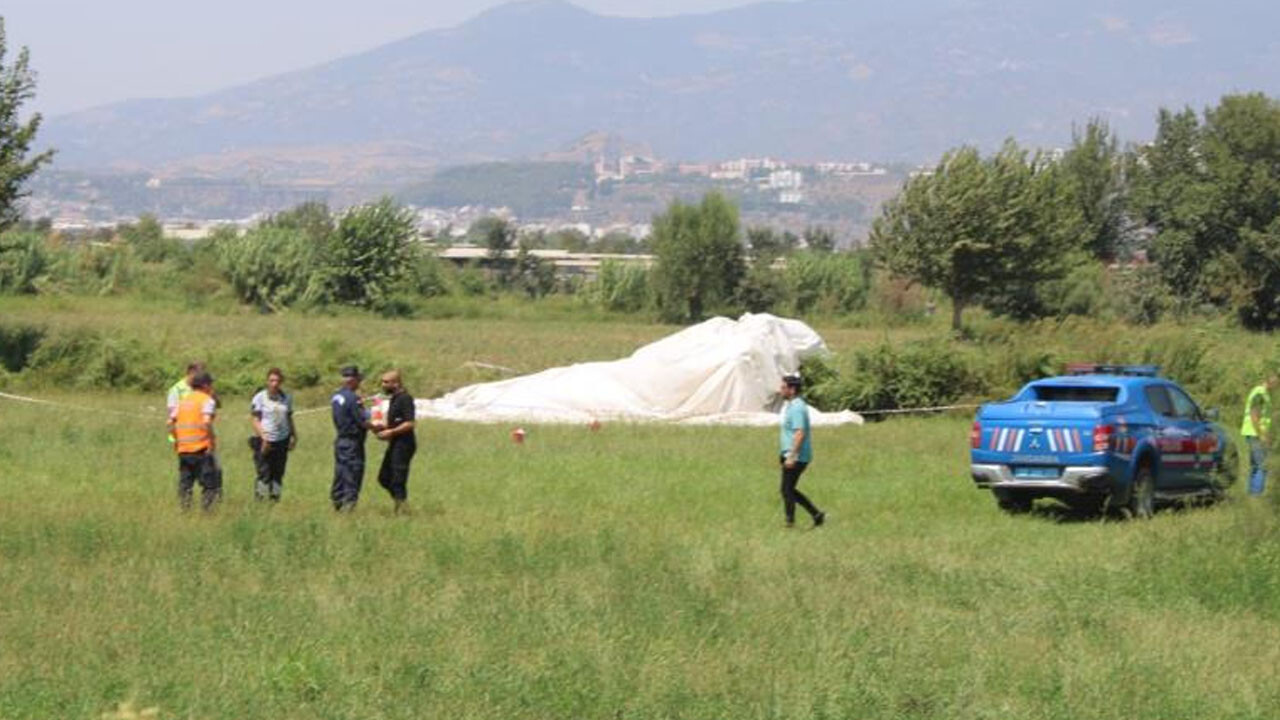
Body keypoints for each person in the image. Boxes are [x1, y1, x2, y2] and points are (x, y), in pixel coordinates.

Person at [168, 371, 220, 511]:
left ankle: (185, 511)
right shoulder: (207, 400)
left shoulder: (183, 401)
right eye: (210, 384)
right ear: (205, 385)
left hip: (183, 449)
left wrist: (175, 441)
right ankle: (208, 514)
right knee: (209, 484)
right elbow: (207, 422)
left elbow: (170, 423)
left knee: (186, 483)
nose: (212, 387)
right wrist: (212, 441)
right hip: (201, 448)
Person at [778, 373, 825, 528]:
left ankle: (791, 521)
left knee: (787, 490)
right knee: (788, 489)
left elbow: (799, 433)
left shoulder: (797, 408)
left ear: (792, 389)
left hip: (797, 456)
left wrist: (792, 456)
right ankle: (816, 515)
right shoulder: (793, 405)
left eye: (783, 387)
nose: (780, 390)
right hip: (791, 454)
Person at [249, 367, 297, 502]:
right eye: (271, 380)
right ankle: (260, 500)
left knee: (278, 474)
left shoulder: (286, 397)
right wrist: (263, 437)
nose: (274, 383)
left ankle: (275, 500)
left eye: (277, 380)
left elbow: (289, 417)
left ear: (281, 382)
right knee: (264, 473)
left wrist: (294, 435)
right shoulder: (260, 398)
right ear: (267, 381)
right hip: (265, 440)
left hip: (282, 440)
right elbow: (255, 420)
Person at [374, 369, 417, 513]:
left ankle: (402, 509)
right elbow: (395, 421)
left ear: (396, 383)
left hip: (404, 444)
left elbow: (410, 423)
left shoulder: (405, 398)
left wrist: (391, 432)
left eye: (386, 382)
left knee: (398, 478)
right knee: (383, 477)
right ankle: (400, 503)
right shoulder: (394, 398)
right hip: (394, 443)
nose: (383, 384)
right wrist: (381, 428)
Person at [330, 365, 369, 511]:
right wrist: (377, 426)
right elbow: (362, 420)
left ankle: (337, 502)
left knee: (340, 472)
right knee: (353, 473)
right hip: (353, 442)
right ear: (353, 380)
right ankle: (348, 506)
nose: (360, 382)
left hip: (341, 440)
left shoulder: (336, 396)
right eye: (358, 379)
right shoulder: (353, 398)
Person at [1241, 372, 1278, 496]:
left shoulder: (1266, 394)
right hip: (1255, 433)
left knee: (1256, 466)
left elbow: (1265, 416)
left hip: (1255, 433)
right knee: (1262, 465)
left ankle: (1251, 495)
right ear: (1271, 380)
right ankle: (1256, 495)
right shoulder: (1260, 393)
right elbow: (1254, 414)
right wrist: (1261, 434)